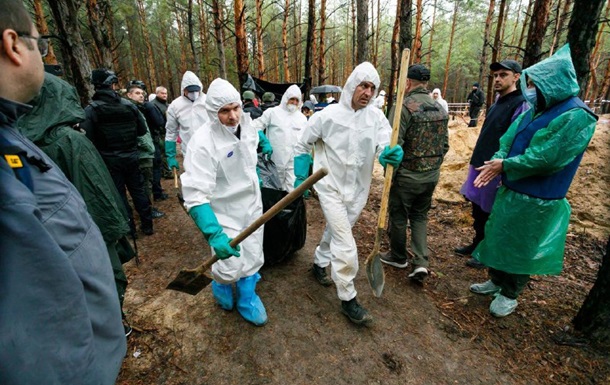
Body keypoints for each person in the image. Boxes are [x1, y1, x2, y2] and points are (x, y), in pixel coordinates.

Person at [0, 1, 126, 383]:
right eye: (39, 41)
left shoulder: (14, 140)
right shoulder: (62, 143)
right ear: (14, 45)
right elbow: (31, 318)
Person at [469, 45, 597, 318]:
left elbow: (547, 158)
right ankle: (496, 279)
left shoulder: (576, 116)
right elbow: (509, 137)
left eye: (536, 84)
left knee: (522, 246)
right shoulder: (536, 108)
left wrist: (506, 165)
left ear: (555, 83)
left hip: (540, 197)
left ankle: (510, 292)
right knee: (500, 235)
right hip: (512, 189)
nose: (532, 89)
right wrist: (500, 158)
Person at [17, 72, 136, 337]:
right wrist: (115, 229)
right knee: (103, 277)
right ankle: (113, 327)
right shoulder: (69, 141)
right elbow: (97, 192)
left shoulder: (19, 142)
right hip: (84, 231)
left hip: (44, 238)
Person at [293, 62, 403, 325]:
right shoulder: (327, 116)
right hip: (329, 185)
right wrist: (300, 176)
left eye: (372, 88)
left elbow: (384, 144)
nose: (367, 92)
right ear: (352, 85)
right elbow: (302, 144)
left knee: (336, 230)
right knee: (345, 241)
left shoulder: (375, 118)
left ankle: (319, 263)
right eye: (363, 85)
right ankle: (348, 297)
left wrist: (389, 153)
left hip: (358, 190)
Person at [181, 78, 273, 326]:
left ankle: (247, 297)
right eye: (224, 111)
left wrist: (261, 145)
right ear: (212, 113)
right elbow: (195, 193)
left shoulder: (247, 123)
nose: (233, 116)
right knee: (228, 263)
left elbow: (250, 148)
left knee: (253, 253)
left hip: (252, 204)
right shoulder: (202, 143)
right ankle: (221, 286)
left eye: (235, 108)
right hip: (224, 210)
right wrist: (213, 233)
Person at [380, 64, 449, 284]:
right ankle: (421, 262)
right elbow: (445, 145)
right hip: (431, 175)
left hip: (407, 175)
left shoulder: (404, 106)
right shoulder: (440, 108)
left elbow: (394, 145)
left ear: (407, 82)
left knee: (399, 216)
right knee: (420, 217)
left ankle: (398, 256)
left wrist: (388, 174)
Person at [455, 59, 528, 268]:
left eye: (503, 75)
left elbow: (517, 139)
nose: (497, 79)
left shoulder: (520, 103)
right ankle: (477, 244)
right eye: (495, 75)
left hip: (495, 168)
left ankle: (487, 252)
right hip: (480, 162)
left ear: (516, 76)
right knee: (477, 208)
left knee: (490, 212)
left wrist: (503, 165)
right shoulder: (498, 101)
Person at [81, 68, 154, 236]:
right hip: (131, 157)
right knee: (138, 191)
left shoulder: (91, 110)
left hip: (110, 160)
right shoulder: (128, 106)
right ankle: (147, 225)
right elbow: (142, 131)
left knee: (119, 195)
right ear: (112, 85)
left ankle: (131, 230)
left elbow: (87, 137)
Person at [253, 84, 307, 192]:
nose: (294, 102)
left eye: (297, 100)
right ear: (286, 98)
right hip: (274, 161)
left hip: (293, 162)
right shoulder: (272, 113)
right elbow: (255, 125)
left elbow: (305, 141)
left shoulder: (302, 119)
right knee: (275, 192)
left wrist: (305, 160)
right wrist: (263, 141)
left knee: (292, 192)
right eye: (292, 99)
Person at [126, 82, 166, 219]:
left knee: (145, 181)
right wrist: (149, 148)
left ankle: (147, 208)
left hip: (141, 151)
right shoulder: (130, 109)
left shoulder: (140, 108)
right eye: (137, 93)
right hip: (140, 152)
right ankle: (147, 211)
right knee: (144, 183)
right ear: (129, 94)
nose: (141, 96)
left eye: (142, 94)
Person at [165, 71, 208, 171]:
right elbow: (171, 131)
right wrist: (170, 155)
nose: (194, 94)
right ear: (184, 90)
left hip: (209, 149)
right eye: (190, 91)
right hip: (189, 151)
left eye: (196, 90)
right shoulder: (175, 106)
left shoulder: (208, 101)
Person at [151, 86, 173, 179]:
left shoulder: (166, 105)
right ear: (157, 93)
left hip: (167, 131)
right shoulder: (153, 105)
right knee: (163, 153)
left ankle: (167, 170)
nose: (164, 95)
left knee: (166, 152)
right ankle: (167, 172)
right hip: (159, 133)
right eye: (162, 93)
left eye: (166, 93)